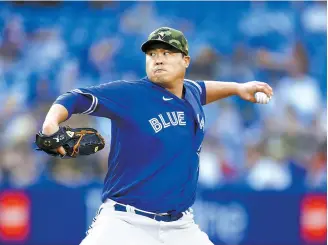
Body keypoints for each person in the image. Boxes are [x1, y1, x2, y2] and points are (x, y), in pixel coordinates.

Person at [41, 27, 273, 245]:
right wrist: (51, 123)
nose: (158, 59)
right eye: (152, 54)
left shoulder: (190, 92)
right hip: (125, 222)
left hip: (181, 226)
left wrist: (237, 88)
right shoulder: (131, 94)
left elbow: (203, 89)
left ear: (186, 61)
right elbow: (74, 98)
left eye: (167, 52)